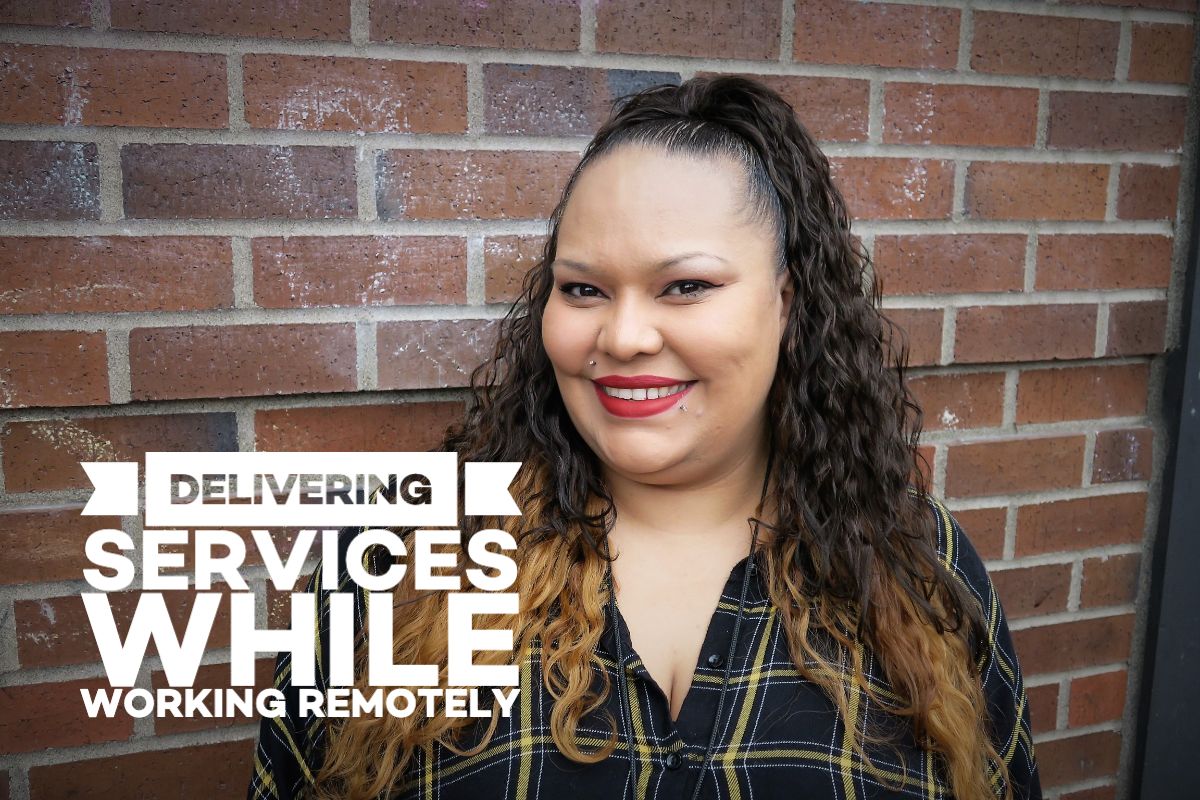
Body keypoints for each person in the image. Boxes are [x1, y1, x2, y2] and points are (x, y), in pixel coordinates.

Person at [248, 75, 1042, 800]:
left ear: (789, 301)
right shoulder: (403, 554)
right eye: (584, 288)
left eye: (686, 286)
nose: (624, 336)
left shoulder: (919, 565)